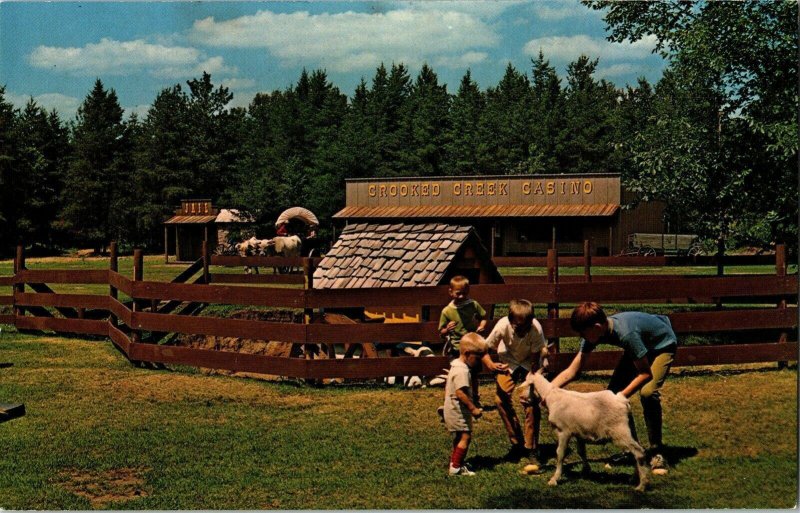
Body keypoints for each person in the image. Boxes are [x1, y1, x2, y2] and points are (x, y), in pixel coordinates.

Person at [550, 302, 677, 472]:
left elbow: (646, 373)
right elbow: (573, 371)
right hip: (641, 347)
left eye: (583, 333)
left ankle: (656, 451)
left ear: (596, 327)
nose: (581, 337)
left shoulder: (626, 334)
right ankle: (632, 450)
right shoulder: (595, 333)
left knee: (648, 393)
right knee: (614, 394)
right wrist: (547, 391)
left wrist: (619, 398)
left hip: (662, 344)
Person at [481, 299, 549, 468]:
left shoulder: (535, 329)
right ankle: (516, 443)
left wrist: (532, 380)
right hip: (508, 360)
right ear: (510, 321)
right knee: (500, 399)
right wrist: (490, 364)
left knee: (530, 402)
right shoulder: (502, 325)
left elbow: (535, 359)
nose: (522, 330)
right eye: (518, 327)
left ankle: (531, 447)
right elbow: (484, 349)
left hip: (529, 362)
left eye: (526, 326)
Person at [438, 276, 487, 404]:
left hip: (472, 347)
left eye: (464, 293)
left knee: (473, 375)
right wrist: (446, 330)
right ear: (451, 292)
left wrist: (482, 326)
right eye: (458, 294)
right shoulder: (447, 311)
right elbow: (441, 333)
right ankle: (450, 400)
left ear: (468, 291)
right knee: (454, 375)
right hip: (456, 348)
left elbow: (483, 316)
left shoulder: (473, 304)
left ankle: (475, 398)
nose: (461, 296)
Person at [443, 333, 487, 476]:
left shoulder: (456, 365)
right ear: (467, 354)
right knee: (466, 437)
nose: (480, 362)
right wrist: (473, 408)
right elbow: (460, 393)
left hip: (453, 409)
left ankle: (456, 461)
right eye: (478, 357)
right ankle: (456, 467)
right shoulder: (462, 370)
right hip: (458, 410)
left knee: (459, 436)